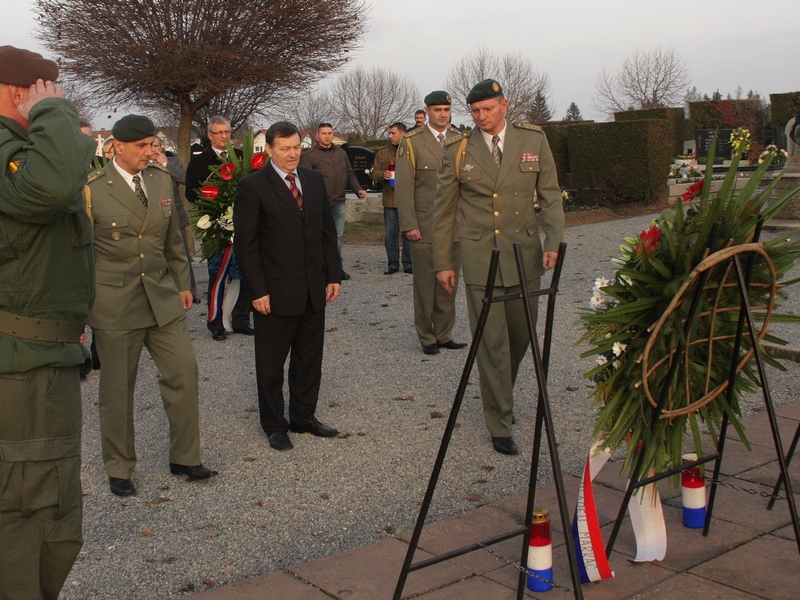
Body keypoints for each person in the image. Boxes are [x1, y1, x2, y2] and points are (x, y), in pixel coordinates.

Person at [0, 46, 95, 599]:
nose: (56, 100)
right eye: (47, 90)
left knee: (43, 506)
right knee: (30, 509)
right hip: (23, 367)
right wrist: (54, 116)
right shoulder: (13, 150)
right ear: (22, 92)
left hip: (41, 356)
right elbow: (56, 186)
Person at [86, 114, 217, 497]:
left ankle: (185, 457)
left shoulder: (160, 179)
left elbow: (173, 241)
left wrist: (183, 284)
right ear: (117, 147)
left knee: (183, 372)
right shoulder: (92, 189)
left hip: (161, 299)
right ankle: (119, 466)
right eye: (142, 146)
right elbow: (79, 253)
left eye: (152, 144)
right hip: (114, 303)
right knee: (117, 389)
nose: (150, 151)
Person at [433, 79, 564, 455]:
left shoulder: (532, 140)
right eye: (474, 111)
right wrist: (444, 262)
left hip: (524, 254)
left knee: (520, 337)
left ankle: (500, 394)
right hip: (480, 260)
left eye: (488, 109)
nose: (481, 117)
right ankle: (499, 420)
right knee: (491, 344)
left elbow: (550, 194)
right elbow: (443, 211)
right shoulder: (459, 149)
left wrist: (553, 240)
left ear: (504, 105)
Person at [234, 121, 341, 451]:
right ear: (269, 150)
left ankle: (303, 417)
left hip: (312, 289)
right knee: (270, 362)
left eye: (296, 146)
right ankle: (274, 424)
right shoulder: (253, 187)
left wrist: (333, 274)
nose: (292, 153)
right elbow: (246, 245)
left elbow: (326, 231)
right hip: (274, 293)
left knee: (309, 358)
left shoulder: (311, 179)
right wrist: (257, 290)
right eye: (285, 148)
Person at [396, 91, 467, 355]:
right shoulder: (412, 142)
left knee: (449, 283)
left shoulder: (461, 140)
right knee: (426, 284)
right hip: (424, 224)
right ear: (427, 111)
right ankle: (427, 336)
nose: (443, 114)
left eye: (447, 109)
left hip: (455, 225)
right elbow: (404, 186)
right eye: (437, 109)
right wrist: (409, 224)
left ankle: (444, 333)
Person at [185, 116, 253, 340]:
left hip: (244, 225)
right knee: (219, 273)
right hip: (217, 226)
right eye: (220, 133)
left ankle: (241, 319)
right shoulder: (200, 161)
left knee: (245, 272)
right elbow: (191, 192)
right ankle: (215, 322)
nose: (225, 137)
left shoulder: (243, 158)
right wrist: (215, 205)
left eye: (227, 132)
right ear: (210, 135)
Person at [299, 122, 367, 280]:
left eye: (330, 133)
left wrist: (358, 190)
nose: (327, 136)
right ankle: (319, 269)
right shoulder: (310, 156)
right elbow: (305, 180)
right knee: (319, 236)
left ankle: (336, 268)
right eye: (324, 133)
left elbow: (349, 173)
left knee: (338, 236)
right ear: (317, 135)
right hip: (320, 204)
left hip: (339, 202)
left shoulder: (341, 153)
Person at [151, 135, 199, 302]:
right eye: (151, 146)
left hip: (176, 216)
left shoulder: (173, 162)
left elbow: (185, 178)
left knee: (182, 255)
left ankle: (190, 291)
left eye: (156, 146)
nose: (154, 150)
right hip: (155, 219)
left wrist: (165, 164)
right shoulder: (145, 166)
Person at [371, 121, 412, 275]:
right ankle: (393, 264)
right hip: (390, 199)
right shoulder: (382, 153)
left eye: (393, 133)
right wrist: (383, 174)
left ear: (403, 133)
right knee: (390, 235)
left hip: (407, 199)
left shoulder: (411, 150)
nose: (390, 136)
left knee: (409, 233)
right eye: (389, 133)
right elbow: (374, 172)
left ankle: (409, 264)